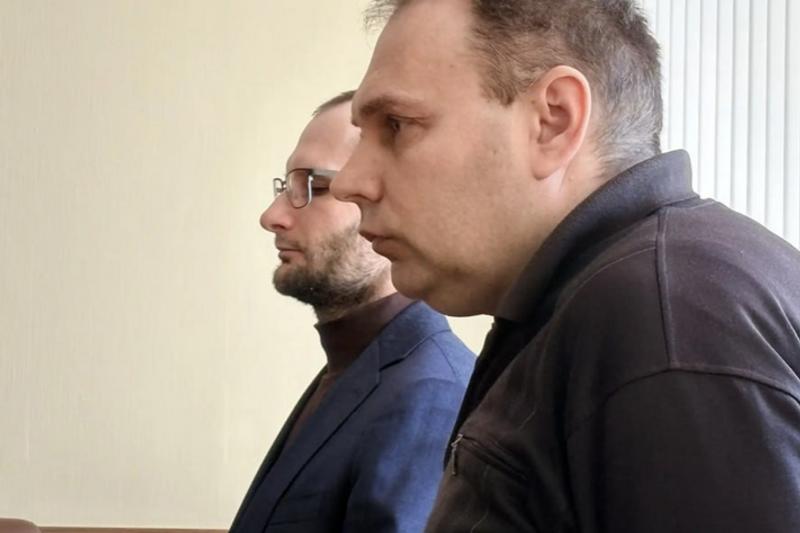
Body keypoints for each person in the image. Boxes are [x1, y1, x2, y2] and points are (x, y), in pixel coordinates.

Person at [330, 1, 800, 531]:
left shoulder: (662, 319)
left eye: (396, 125)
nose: (349, 182)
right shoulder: (617, 302)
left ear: (554, 121)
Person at [228, 91, 474, 533]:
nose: (272, 216)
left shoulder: (429, 396)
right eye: (286, 188)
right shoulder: (353, 369)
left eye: (315, 187)